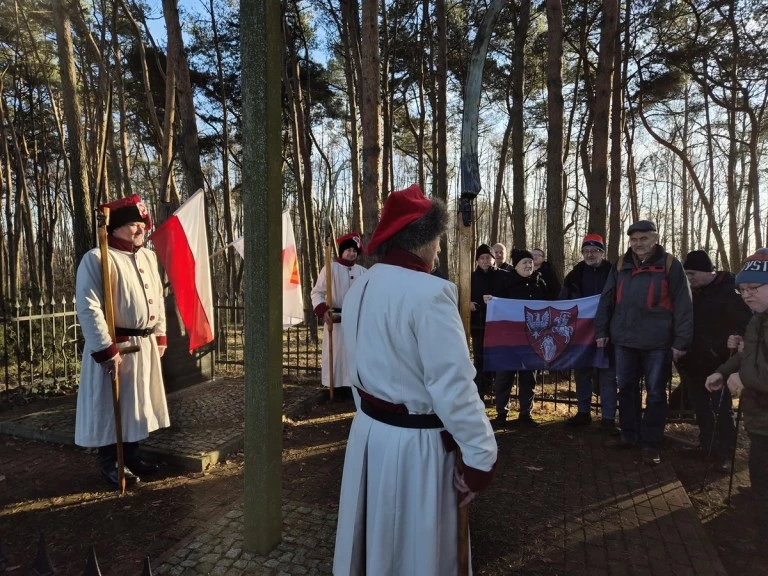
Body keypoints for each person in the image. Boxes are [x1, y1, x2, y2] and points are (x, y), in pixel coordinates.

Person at [334, 184, 497, 576]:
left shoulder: (361, 288)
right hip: (417, 452)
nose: (439, 250)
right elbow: (454, 385)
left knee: (377, 543)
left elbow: (358, 370)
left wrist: (374, 419)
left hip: (370, 436)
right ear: (422, 241)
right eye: (437, 241)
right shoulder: (432, 294)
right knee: (416, 551)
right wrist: (480, 459)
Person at [75, 195, 169, 488]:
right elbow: (89, 308)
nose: (140, 230)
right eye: (132, 224)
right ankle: (111, 462)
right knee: (111, 406)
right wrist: (106, 349)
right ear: (114, 227)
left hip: (144, 346)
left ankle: (132, 455)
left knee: (136, 405)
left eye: (142, 224)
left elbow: (158, 299)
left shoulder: (148, 256)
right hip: (116, 346)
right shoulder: (97, 258)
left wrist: (159, 333)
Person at [595, 220, 693, 465]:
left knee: (657, 394)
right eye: (634, 240)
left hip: (658, 342)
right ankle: (629, 435)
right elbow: (606, 299)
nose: (638, 244)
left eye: (644, 239)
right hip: (624, 340)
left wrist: (681, 342)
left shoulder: (671, 264)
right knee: (626, 389)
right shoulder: (620, 264)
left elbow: (683, 305)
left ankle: (651, 443)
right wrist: (601, 330)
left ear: (655, 238)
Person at [705, 248, 768, 555]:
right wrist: (723, 371)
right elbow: (750, 355)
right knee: (761, 483)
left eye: (754, 288)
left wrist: (744, 380)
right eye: (743, 289)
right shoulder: (758, 320)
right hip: (761, 423)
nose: (746, 295)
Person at [677, 250, 751, 471]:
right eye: (686, 274)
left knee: (722, 409)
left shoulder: (730, 290)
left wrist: (724, 345)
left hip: (719, 361)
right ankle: (706, 444)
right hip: (692, 361)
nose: (689, 278)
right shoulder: (690, 292)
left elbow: (743, 323)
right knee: (700, 407)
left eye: (692, 274)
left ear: (706, 271)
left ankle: (726, 453)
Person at [561, 234, 618, 434]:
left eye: (594, 250)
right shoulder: (574, 274)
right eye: (586, 251)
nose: (589, 254)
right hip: (581, 333)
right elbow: (564, 302)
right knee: (582, 373)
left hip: (609, 332)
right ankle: (583, 412)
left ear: (602, 252)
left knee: (608, 375)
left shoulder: (614, 272)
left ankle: (609, 418)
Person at [493, 249, 548, 427]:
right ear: (515, 266)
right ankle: (502, 413)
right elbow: (497, 306)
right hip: (508, 340)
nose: (528, 265)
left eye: (530, 262)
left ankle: (526, 414)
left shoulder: (540, 283)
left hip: (532, 339)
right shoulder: (504, 282)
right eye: (524, 262)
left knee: (528, 378)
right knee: (504, 377)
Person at [310, 233, 367, 396]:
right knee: (338, 356)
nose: (352, 253)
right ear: (341, 251)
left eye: (354, 250)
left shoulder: (363, 272)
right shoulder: (330, 269)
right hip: (335, 320)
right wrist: (322, 309)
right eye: (348, 249)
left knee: (355, 355)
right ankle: (336, 388)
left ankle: (355, 389)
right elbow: (317, 292)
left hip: (357, 320)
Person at [471, 243, 510, 398]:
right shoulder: (471, 277)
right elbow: (463, 295)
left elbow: (509, 297)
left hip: (498, 324)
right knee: (479, 358)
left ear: (494, 259)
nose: (485, 260)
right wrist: (468, 304)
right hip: (478, 324)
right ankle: (480, 391)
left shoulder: (504, 276)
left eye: (488, 257)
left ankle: (497, 391)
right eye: (482, 258)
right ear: (477, 261)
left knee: (497, 357)